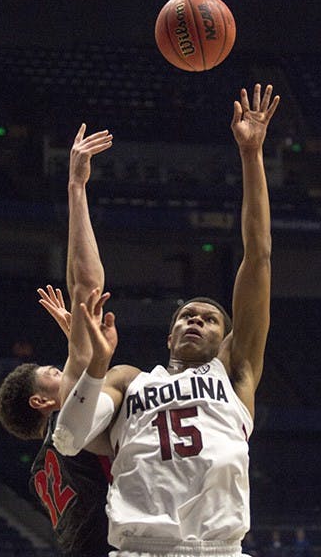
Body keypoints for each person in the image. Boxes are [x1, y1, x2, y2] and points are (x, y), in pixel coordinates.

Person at [53, 84, 280, 557]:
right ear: (169, 334)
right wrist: (76, 188)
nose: (197, 321)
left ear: (226, 338)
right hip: (142, 549)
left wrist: (251, 154)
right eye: (187, 316)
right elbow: (70, 438)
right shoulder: (128, 381)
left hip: (220, 548)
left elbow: (257, 256)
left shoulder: (234, 372)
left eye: (211, 319)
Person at [0, 124, 114, 557]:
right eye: (53, 372)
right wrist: (76, 185)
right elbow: (86, 285)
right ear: (41, 403)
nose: (61, 369)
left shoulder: (45, 468)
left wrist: (78, 346)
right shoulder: (69, 427)